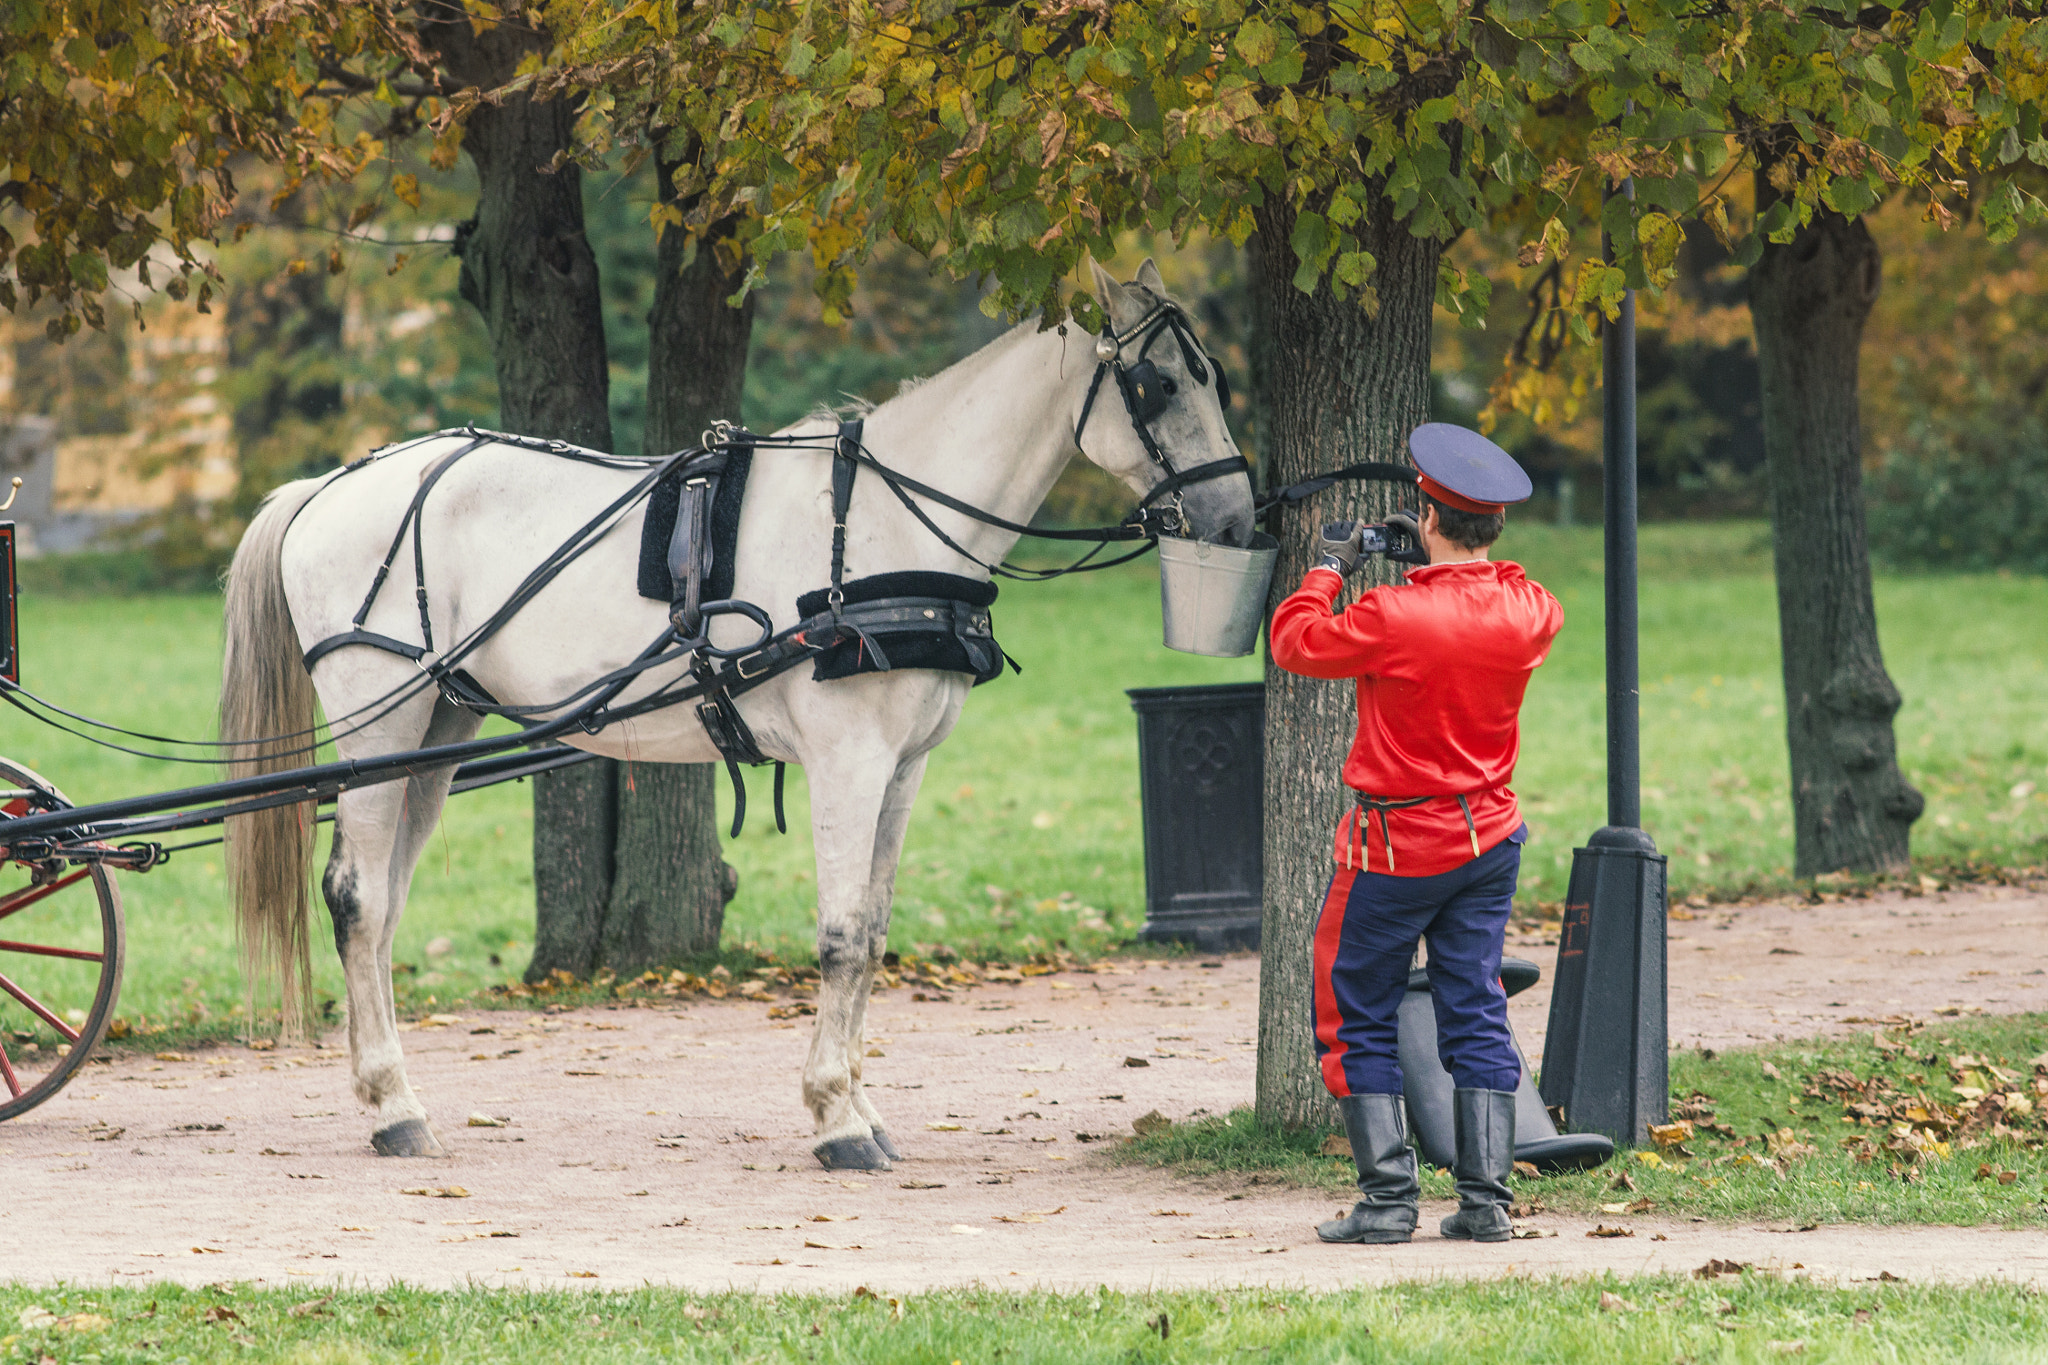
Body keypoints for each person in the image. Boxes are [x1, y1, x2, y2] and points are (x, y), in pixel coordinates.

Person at [1269, 423, 1562, 1245]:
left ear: (1426, 516)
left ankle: (1388, 1200)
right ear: (1496, 524)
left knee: (1353, 1009)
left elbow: (1293, 642)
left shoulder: (1390, 613)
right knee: (1474, 1006)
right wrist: (1441, 562)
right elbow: (1499, 592)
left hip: (1395, 850)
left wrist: (1332, 563)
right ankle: (1487, 1201)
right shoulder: (1531, 610)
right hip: (1488, 838)